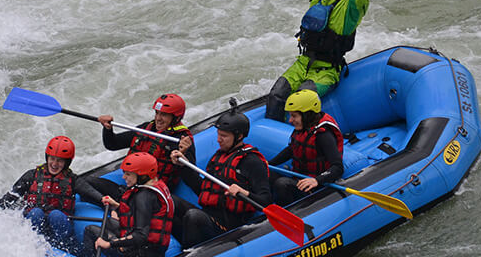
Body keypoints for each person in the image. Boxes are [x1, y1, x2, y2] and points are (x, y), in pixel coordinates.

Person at [0, 135, 106, 252]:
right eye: (52, 158)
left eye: (60, 161)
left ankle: (63, 250)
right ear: (47, 157)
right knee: (35, 213)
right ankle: (33, 246)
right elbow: (9, 198)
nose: (54, 164)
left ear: (67, 162)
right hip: (35, 226)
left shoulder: (73, 180)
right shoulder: (32, 175)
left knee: (56, 215)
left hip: (60, 229)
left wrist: (110, 206)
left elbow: (95, 196)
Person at [173, 110, 272, 247]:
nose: (219, 139)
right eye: (219, 135)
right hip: (208, 215)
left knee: (194, 216)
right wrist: (183, 165)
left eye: (224, 136)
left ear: (239, 136)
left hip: (229, 226)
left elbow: (266, 201)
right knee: (170, 201)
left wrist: (244, 193)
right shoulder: (218, 157)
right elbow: (201, 189)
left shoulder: (252, 162)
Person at [95, 93, 195, 197]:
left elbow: (192, 177)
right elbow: (112, 144)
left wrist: (183, 156)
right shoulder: (146, 128)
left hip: (153, 193)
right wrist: (107, 129)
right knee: (89, 182)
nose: (158, 118)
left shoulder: (181, 139)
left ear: (176, 118)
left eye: (164, 115)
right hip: (132, 185)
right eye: (157, 113)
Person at [82, 152, 175, 257]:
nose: (124, 177)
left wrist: (110, 244)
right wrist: (116, 205)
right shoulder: (155, 186)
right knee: (109, 222)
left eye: (128, 174)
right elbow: (144, 215)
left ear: (142, 175)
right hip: (150, 250)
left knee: (90, 230)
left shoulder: (143, 196)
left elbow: (140, 236)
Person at [269, 89, 344, 205]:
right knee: (267, 172)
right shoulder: (304, 127)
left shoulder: (323, 135)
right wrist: (269, 164)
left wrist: (317, 180)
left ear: (307, 115)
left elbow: (338, 168)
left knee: (282, 184)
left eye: (294, 116)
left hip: (316, 186)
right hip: (300, 178)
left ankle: (287, 212)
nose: (290, 120)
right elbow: (291, 149)